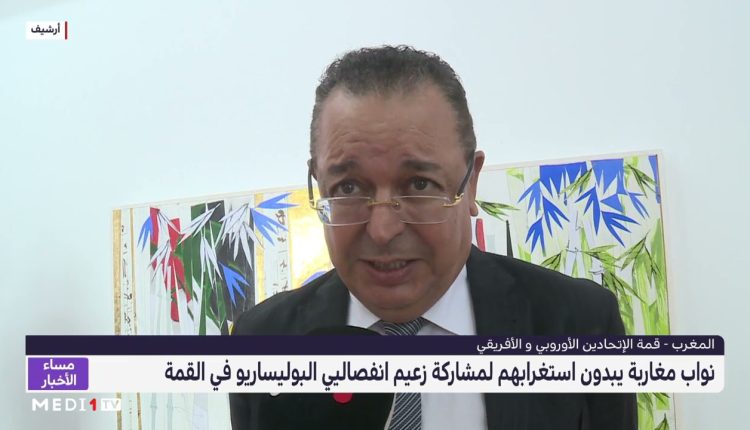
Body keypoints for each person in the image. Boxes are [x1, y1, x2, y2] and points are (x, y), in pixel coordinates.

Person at [230, 45, 637, 430]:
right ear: (319, 184)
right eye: (349, 188)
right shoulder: (263, 339)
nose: (383, 230)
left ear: (471, 183)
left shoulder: (580, 324)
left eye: (419, 184)